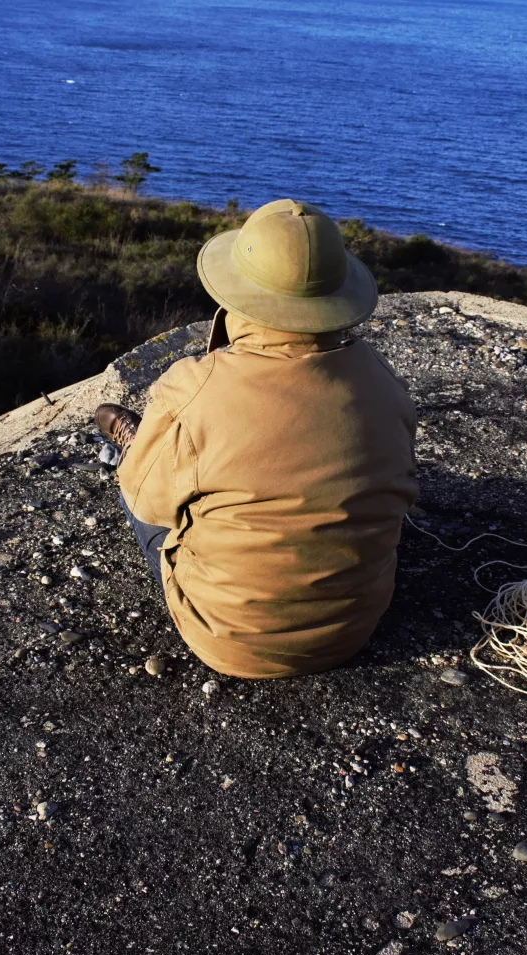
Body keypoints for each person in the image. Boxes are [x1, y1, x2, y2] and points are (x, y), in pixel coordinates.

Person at [95, 199, 418, 679]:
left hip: (228, 640)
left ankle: (139, 444)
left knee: (137, 486)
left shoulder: (191, 388)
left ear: (237, 290)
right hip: (354, 630)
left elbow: (148, 506)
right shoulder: (384, 381)